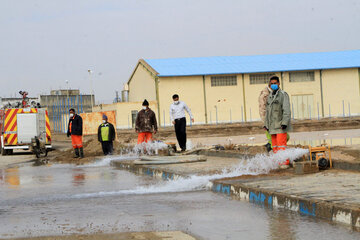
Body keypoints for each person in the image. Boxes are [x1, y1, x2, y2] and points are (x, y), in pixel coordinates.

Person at [264, 76, 292, 166]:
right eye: (271, 83)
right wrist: (266, 125)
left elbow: (286, 110)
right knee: (275, 147)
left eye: (275, 83)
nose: (273, 85)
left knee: (281, 146)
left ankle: (284, 163)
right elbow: (267, 113)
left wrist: (284, 123)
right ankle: (278, 163)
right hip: (272, 127)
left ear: (279, 83)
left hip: (280, 126)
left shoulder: (283, 95)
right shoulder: (270, 96)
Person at [258, 82, 273, 152]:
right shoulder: (265, 95)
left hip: (275, 119)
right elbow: (262, 109)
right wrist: (265, 121)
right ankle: (270, 146)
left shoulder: (276, 93)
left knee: (285, 136)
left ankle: (270, 145)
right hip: (269, 119)